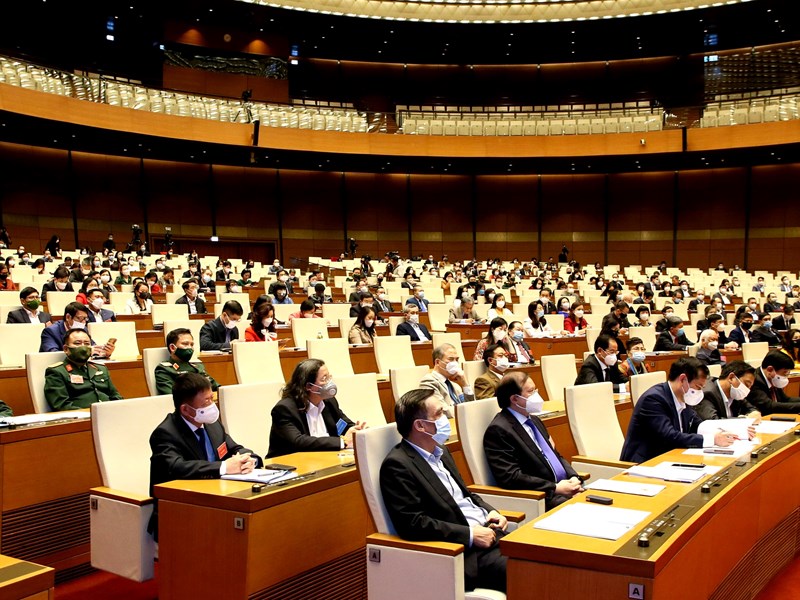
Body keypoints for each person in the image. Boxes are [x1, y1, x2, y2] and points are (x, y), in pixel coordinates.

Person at [380, 388, 508, 594]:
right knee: (533, 570)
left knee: (547, 554)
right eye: (439, 414)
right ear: (420, 425)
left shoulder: (442, 451)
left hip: (491, 533)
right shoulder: (398, 465)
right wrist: (470, 535)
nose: (446, 417)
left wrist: (490, 510)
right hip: (465, 553)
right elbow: (413, 523)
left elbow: (464, 495)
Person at [148, 372, 260, 538]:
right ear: (185, 409)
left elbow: (234, 448)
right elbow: (177, 467)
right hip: (178, 513)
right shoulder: (165, 433)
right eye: (206, 402)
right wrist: (224, 467)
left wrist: (249, 460)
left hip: (215, 502)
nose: (212, 406)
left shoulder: (212, 425)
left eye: (212, 399)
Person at [484, 371, 582, 510]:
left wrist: (573, 477)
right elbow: (511, 477)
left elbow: (554, 455)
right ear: (515, 399)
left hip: (565, 488)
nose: (536, 395)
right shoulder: (498, 430)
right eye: (531, 391)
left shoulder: (534, 420)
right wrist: (555, 488)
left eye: (535, 390)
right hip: (542, 497)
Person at [620, 357, 738, 463]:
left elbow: (698, 424)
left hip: (671, 458)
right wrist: (712, 439)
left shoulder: (683, 397)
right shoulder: (653, 399)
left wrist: (720, 432)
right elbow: (670, 436)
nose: (699, 392)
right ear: (682, 379)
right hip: (644, 463)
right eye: (698, 387)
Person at [267, 359, 366, 458]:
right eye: (324, 379)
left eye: (329, 377)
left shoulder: (329, 402)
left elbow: (343, 425)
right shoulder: (285, 409)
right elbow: (298, 441)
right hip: (289, 463)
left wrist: (357, 431)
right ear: (308, 386)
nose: (329, 383)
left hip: (323, 459)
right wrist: (342, 442)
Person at [43, 328, 123, 410]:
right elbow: (61, 405)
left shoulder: (101, 368)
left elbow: (116, 396)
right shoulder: (57, 372)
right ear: (66, 349)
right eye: (77, 343)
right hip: (83, 416)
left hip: (109, 413)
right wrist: (91, 414)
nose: (83, 347)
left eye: (87, 343)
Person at [154, 328, 219, 395]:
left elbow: (216, 386)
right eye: (185, 344)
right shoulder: (164, 369)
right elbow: (172, 396)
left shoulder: (197, 366)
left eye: (192, 345)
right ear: (172, 348)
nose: (190, 348)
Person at [418, 343, 475, 417]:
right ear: (437, 362)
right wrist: (467, 412)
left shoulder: (455, 386)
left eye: (457, 360)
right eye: (451, 359)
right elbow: (442, 412)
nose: (455, 363)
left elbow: (471, 406)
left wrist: (465, 383)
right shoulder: (428, 382)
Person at [40, 302, 115, 357]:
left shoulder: (83, 329)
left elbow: (93, 347)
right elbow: (53, 355)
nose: (83, 322)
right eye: (80, 318)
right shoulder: (51, 331)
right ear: (68, 317)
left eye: (85, 319)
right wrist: (86, 351)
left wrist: (105, 353)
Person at [696, 360, 761, 421]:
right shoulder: (707, 394)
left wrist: (755, 413)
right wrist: (745, 419)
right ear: (731, 378)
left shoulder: (735, 394)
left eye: (750, 387)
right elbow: (713, 421)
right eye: (746, 384)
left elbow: (751, 409)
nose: (748, 390)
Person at [747, 350, 800, 415]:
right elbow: (769, 406)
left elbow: (785, 400)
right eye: (785, 373)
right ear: (770, 369)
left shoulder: (773, 379)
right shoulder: (754, 381)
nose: (786, 377)